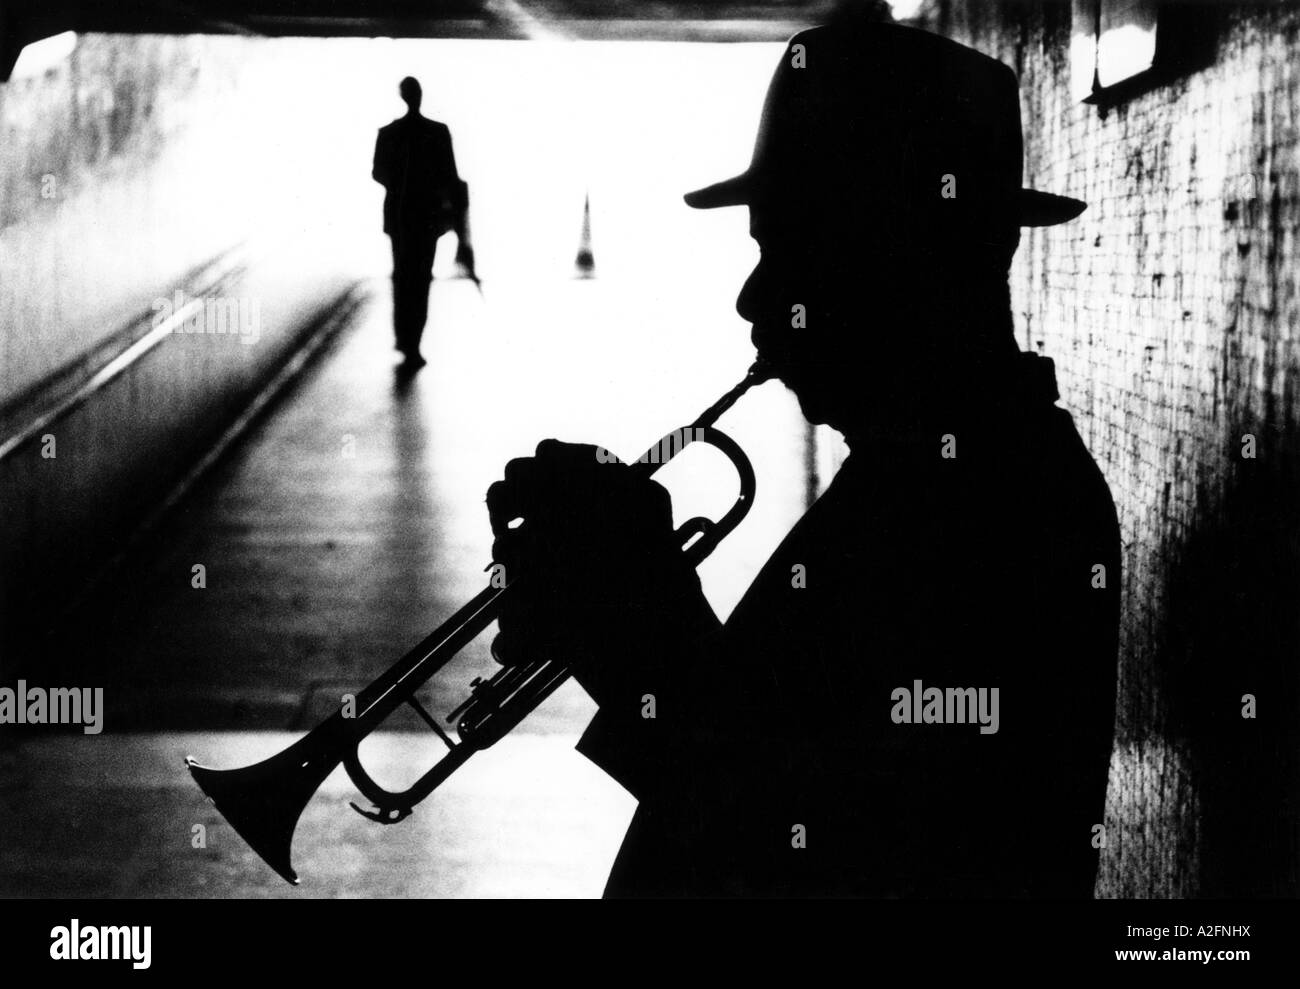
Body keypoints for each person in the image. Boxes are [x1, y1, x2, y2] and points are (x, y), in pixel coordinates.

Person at [485, 19, 1121, 898]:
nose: (753, 295)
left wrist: (643, 638)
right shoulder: (921, 471)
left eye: (791, 249)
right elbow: (802, 757)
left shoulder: (1005, 513)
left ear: (906, 253)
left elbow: (828, 854)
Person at [372, 76, 465, 368]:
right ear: (419, 96)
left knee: (402, 276)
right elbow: (450, 174)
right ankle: (414, 342)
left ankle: (404, 338)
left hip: (400, 216)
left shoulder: (388, 133)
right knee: (421, 278)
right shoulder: (437, 132)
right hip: (428, 217)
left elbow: (378, 173)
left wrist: (400, 185)